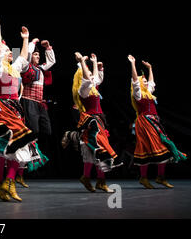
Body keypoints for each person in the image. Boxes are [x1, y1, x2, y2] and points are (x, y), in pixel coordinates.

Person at [0, 18, 47, 202]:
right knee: (1, 149)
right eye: (7, 50)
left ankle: (9, 182)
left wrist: (26, 39)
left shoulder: (14, 69)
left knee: (19, 146)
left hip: (15, 111)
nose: (11, 52)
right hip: (1, 110)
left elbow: (24, 56)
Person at [128, 55, 187, 188]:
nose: (145, 82)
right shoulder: (138, 94)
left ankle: (160, 177)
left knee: (163, 146)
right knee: (147, 148)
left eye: (144, 80)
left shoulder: (149, 93)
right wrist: (133, 64)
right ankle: (144, 178)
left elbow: (152, 83)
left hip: (154, 122)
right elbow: (135, 81)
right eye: (143, 80)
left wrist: (150, 69)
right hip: (145, 123)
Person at [72, 52, 121, 193]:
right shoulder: (83, 89)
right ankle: (90, 178)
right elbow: (89, 79)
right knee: (97, 150)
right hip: (91, 122)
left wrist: (94, 62)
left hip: (99, 121)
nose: (89, 74)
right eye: (86, 72)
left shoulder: (92, 87)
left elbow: (96, 79)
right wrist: (82, 62)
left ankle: (97, 180)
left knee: (97, 150)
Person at [19, 37, 56, 186]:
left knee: (47, 130)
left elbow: (52, 61)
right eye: (35, 54)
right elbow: (26, 55)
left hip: (39, 104)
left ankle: (32, 145)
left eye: (38, 55)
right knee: (32, 130)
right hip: (28, 102)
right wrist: (32, 43)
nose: (37, 56)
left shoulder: (41, 69)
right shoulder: (27, 67)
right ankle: (28, 151)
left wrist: (48, 48)